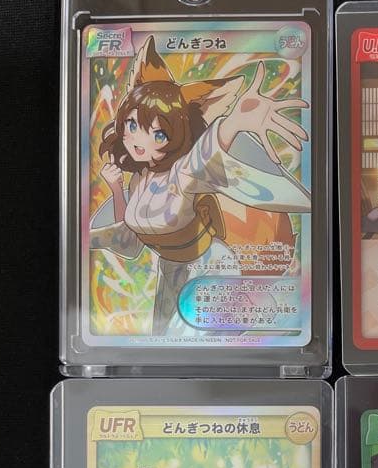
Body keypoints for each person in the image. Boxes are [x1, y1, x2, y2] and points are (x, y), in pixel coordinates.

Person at [91, 35, 311, 336]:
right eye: (132, 125)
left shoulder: (183, 173)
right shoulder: (141, 177)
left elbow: (205, 153)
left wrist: (234, 122)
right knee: (161, 343)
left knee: (194, 341)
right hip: (172, 270)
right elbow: (129, 233)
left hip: (209, 268)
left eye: (158, 134)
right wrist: (116, 188)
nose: (138, 141)